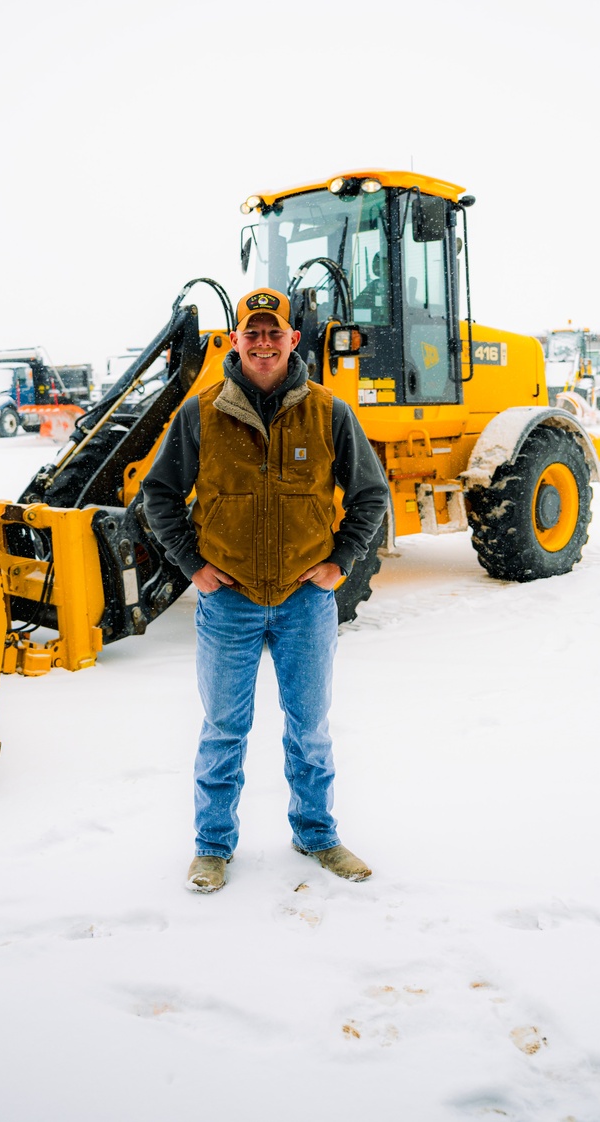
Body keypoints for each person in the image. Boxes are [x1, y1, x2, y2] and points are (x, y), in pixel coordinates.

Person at [141, 288, 390, 893]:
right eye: (250, 333)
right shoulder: (200, 414)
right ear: (233, 341)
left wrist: (340, 562)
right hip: (229, 602)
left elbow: (370, 495)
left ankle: (318, 835)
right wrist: (192, 566)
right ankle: (211, 847)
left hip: (306, 602)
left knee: (310, 728)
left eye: (272, 332)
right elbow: (159, 495)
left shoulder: (329, 413)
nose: (262, 342)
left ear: (292, 340)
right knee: (224, 729)